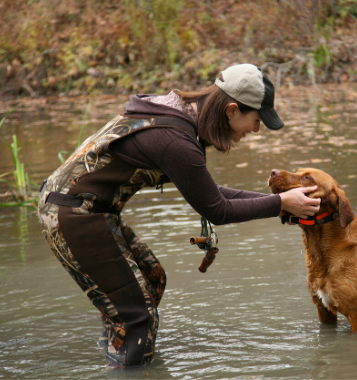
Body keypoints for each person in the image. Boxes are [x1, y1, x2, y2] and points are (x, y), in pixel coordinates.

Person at [37, 63, 320, 367]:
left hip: (88, 210)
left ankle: (119, 354)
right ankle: (128, 365)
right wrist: (280, 204)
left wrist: (280, 200)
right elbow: (217, 209)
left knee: (152, 279)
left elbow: (210, 192)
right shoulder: (176, 140)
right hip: (72, 214)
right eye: (255, 120)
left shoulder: (180, 116)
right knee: (137, 317)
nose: (255, 129)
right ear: (232, 110)